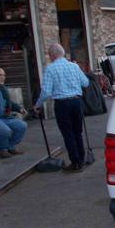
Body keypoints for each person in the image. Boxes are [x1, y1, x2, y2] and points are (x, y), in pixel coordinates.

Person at [35, 43, 89, 173]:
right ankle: (81, 158)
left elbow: (47, 91)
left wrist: (37, 104)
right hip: (76, 102)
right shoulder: (74, 66)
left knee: (68, 133)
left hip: (62, 104)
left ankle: (75, 162)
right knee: (77, 132)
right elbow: (85, 83)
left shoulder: (50, 69)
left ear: (52, 55)